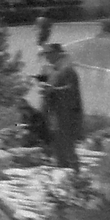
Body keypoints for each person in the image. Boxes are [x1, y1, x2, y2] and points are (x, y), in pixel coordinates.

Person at [37, 42, 84, 170]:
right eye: (45, 54)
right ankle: (62, 174)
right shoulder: (50, 70)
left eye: (49, 53)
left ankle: (75, 177)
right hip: (54, 115)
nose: (46, 57)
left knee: (67, 147)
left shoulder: (67, 69)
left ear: (58, 53)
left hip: (67, 116)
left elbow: (71, 89)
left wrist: (53, 89)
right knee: (56, 147)